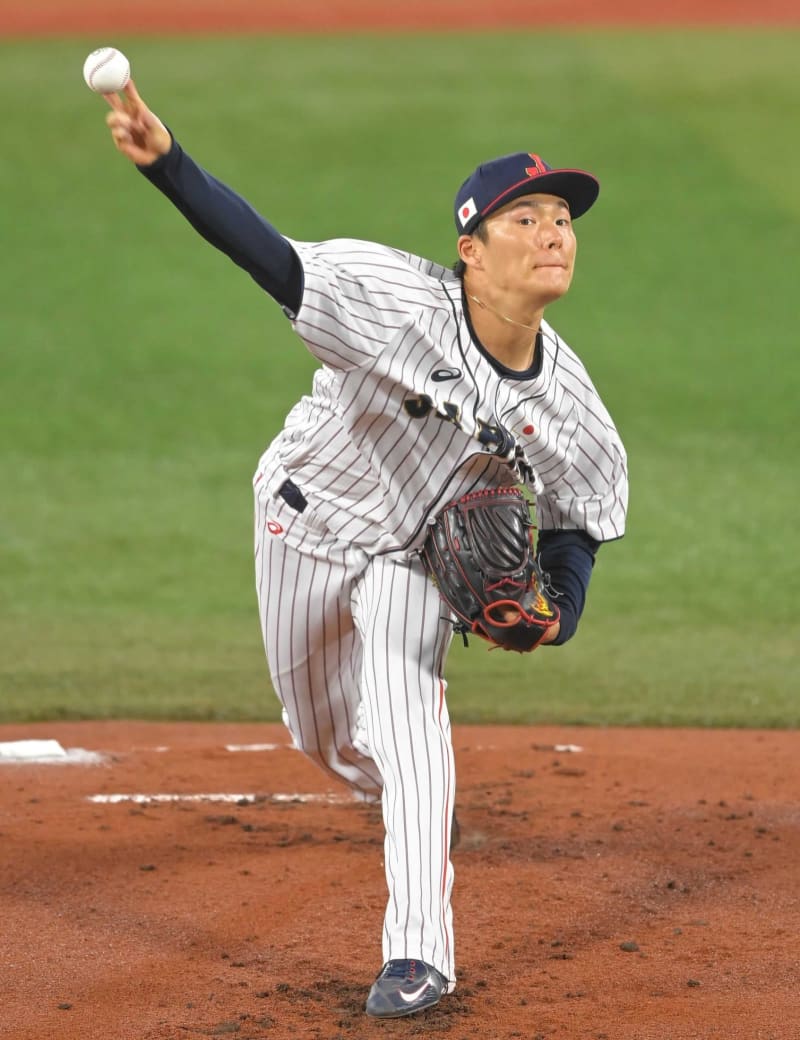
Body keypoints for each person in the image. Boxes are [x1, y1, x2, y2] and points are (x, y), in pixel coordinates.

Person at [101, 81, 628, 1019]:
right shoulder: (395, 300)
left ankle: (419, 955)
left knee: (412, 720)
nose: (553, 234)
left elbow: (580, 514)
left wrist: (557, 616)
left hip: (412, 559)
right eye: (526, 219)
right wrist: (169, 165)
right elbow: (270, 258)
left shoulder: (571, 405)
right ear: (471, 250)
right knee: (325, 736)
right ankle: (401, 793)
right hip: (303, 520)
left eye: (562, 219)